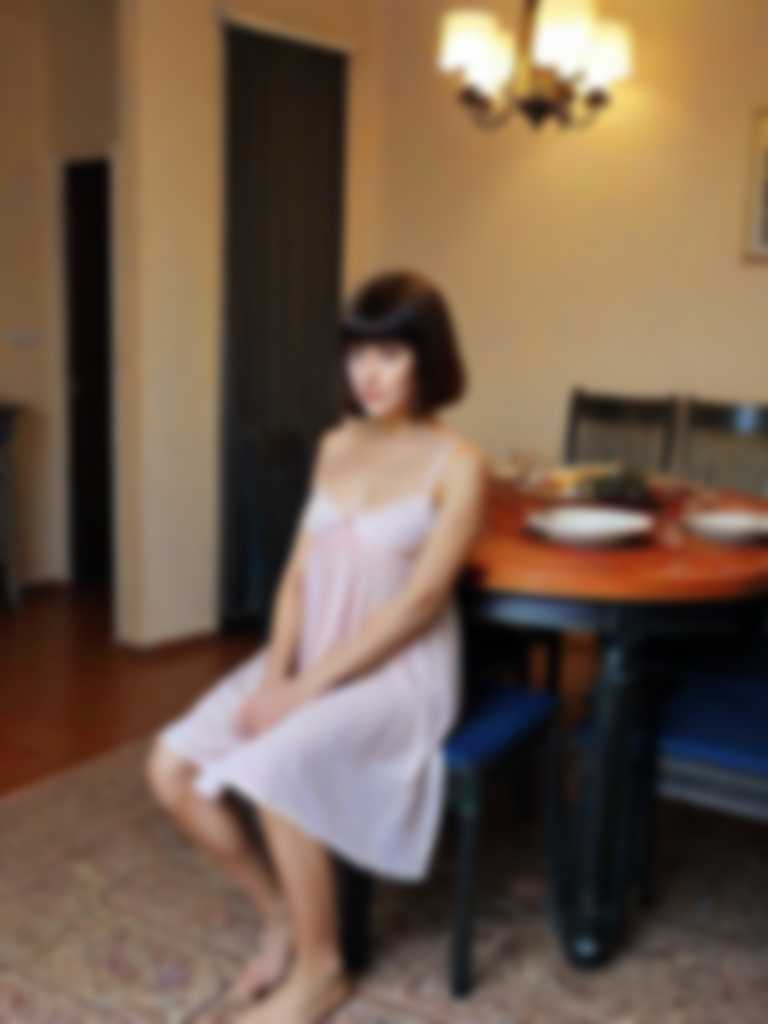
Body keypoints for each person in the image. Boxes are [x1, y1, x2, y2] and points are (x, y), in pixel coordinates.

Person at [145, 269, 490, 1023]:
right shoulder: (335, 444)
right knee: (170, 770)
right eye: (358, 353)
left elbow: (420, 603)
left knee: (274, 766)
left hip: (399, 672)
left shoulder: (458, 463)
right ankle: (278, 917)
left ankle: (321, 970)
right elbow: (298, 577)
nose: (369, 373)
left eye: (391, 353)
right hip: (310, 651)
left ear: (428, 358)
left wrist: (301, 695)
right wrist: (276, 676)